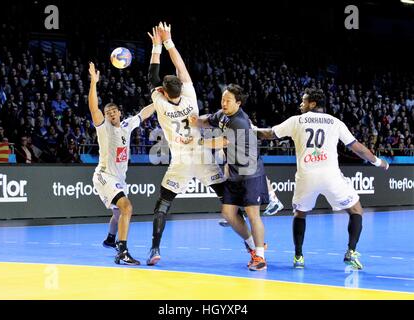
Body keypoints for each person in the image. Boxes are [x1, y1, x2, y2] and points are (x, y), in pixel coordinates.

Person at [255, 88, 389, 269]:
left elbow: (270, 134)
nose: (300, 104)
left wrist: (251, 129)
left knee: (300, 214)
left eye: (304, 101)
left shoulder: (297, 121)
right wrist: (379, 162)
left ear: (313, 104)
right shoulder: (335, 122)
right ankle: (351, 251)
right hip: (330, 176)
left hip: (306, 176)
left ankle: (298, 257)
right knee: (356, 210)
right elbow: (357, 148)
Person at [146, 22, 226, 266]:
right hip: (202, 156)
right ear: (180, 87)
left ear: (163, 90)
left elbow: (152, 76)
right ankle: (252, 246)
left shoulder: (160, 102)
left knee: (163, 203)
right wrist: (168, 42)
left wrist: (155, 47)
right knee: (226, 197)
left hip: (180, 160)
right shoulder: (190, 96)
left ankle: (155, 249)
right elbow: (180, 67)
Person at [189, 84, 269, 271]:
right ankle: (252, 246)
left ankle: (260, 257)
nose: (224, 103)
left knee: (252, 214)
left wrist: (199, 141)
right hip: (233, 172)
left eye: (228, 101)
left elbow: (222, 141)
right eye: (223, 99)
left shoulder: (239, 121)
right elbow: (208, 121)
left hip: (250, 172)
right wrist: (194, 121)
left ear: (238, 103)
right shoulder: (223, 115)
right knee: (228, 213)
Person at [88, 62, 155, 265]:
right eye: (108, 113)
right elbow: (93, 108)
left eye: (114, 111)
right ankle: (122, 252)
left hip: (118, 177)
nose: (111, 114)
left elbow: (144, 113)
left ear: (119, 113)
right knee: (126, 208)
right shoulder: (104, 127)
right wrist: (93, 83)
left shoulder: (127, 124)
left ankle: (110, 240)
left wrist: (160, 100)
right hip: (104, 175)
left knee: (118, 212)